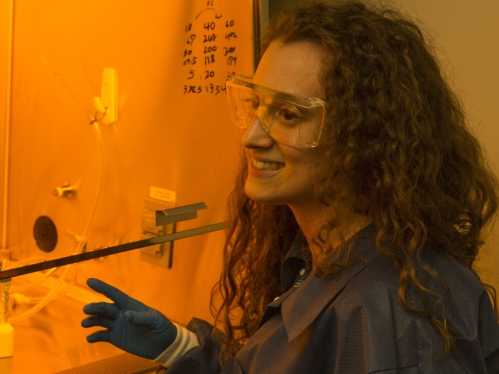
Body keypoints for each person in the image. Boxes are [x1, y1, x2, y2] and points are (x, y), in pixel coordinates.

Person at [81, 1, 499, 373]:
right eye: (257, 105)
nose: (252, 137)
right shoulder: (319, 256)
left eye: (288, 114)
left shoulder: (393, 320)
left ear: (364, 135)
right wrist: (178, 346)